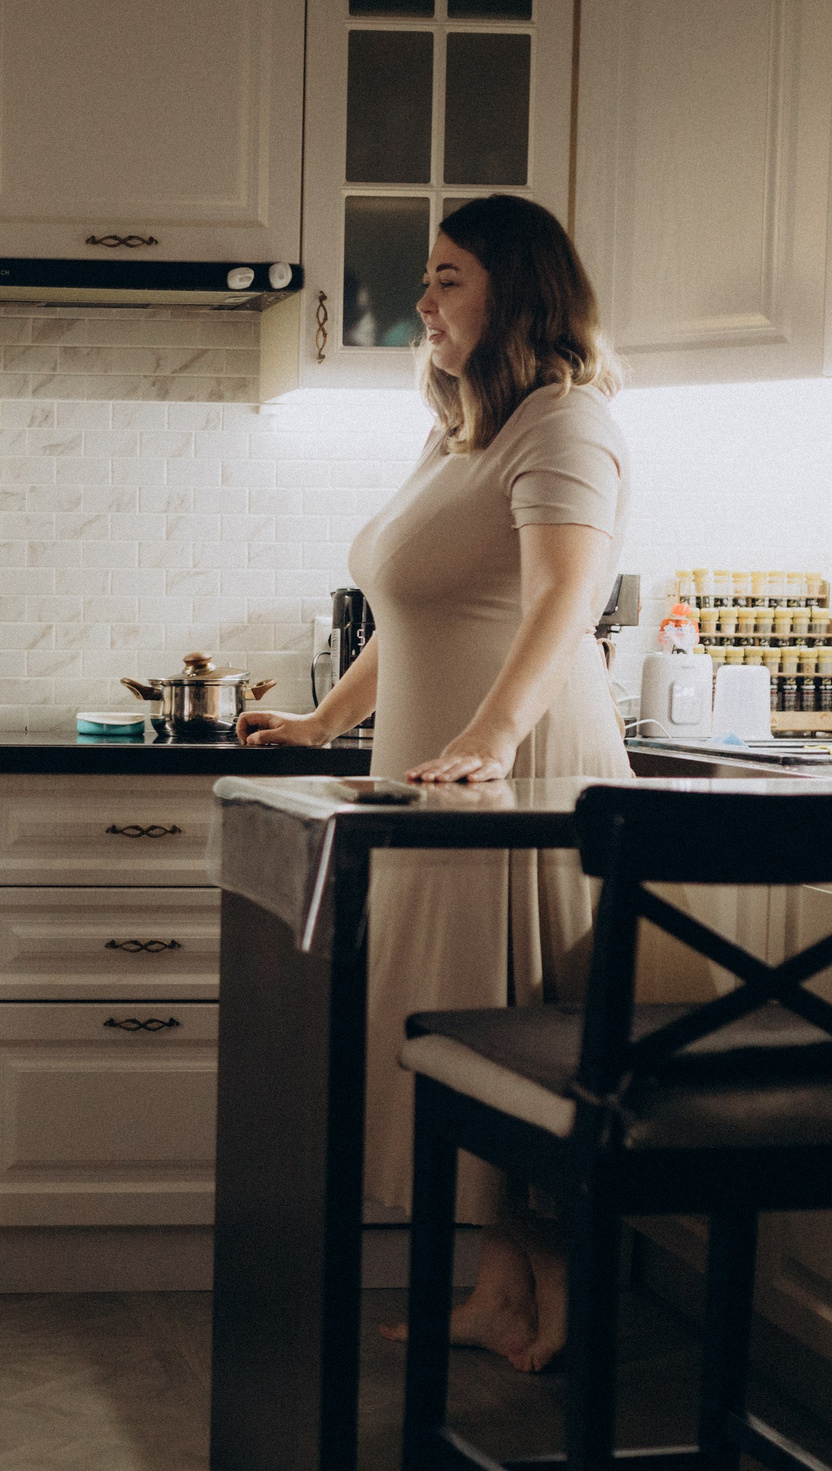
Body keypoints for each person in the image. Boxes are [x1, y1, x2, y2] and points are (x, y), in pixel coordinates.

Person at [237, 194, 632, 1373]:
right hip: (434, 784)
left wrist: (498, 735)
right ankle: (499, 1287)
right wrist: (320, 722)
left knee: (496, 1032)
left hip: (515, 783)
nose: (424, 300)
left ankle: (550, 1276)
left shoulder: (566, 421)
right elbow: (407, 613)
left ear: (516, 290)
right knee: (447, 1029)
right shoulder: (463, 429)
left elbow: (570, 595)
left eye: (449, 277)